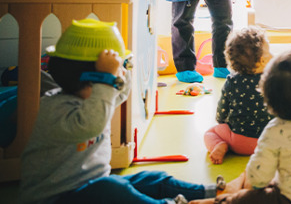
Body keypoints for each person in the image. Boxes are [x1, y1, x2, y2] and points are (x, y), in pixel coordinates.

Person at [19, 19, 231, 204]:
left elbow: (119, 94)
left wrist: (123, 69)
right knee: (111, 189)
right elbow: (92, 123)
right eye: (109, 77)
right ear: (93, 79)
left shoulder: (93, 97)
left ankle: (214, 192)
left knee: (151, 179)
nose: (112, 84)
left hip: (90, 187)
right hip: (56, 198)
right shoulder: (55, 107)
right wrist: (107, 78)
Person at [190, 47, 291, 204]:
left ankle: (221, 201)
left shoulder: (276, 130)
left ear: (269, 100)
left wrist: (249, 185)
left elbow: (256, 181)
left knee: (247, 198)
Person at [204, 26, 273, 164]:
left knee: (210, 133)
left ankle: (219, 145)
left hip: (239, 142)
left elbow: (222, 110)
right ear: (263, 60)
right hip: (271, 141)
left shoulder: (232, 81)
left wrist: (222, 122)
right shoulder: (274, 79)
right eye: (269, 51)